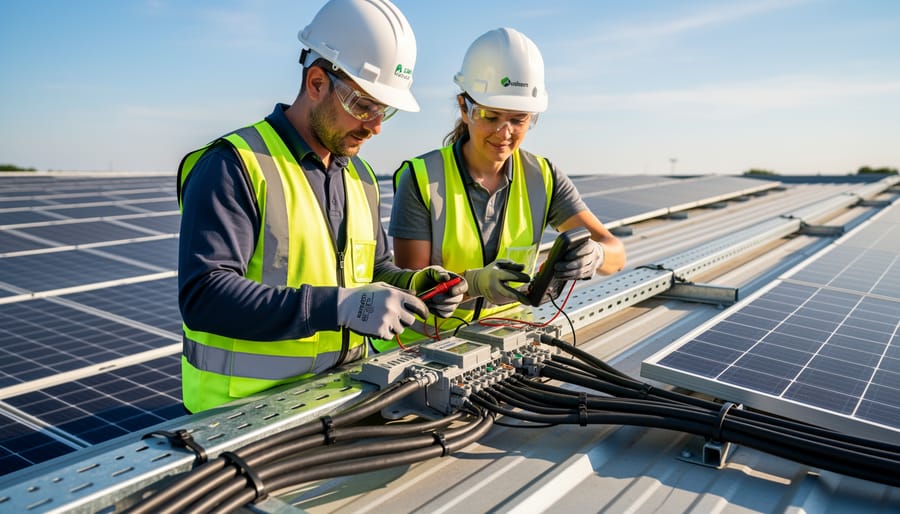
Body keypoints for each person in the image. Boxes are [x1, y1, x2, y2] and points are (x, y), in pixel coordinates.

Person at [176, 0, 465, 413]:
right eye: (364, 106)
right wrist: (339, 307)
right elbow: (205, 296)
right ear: (316, 83)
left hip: (344, 400)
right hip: (241, 419)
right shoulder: (233, 164)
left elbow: (373, 271)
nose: (376, 125)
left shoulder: (361, 178)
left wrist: (416, 286)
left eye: (385, 110)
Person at [388, 27, 626, 344]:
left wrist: (596, 254)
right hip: (431, 351)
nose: (504, 133)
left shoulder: (542, 177)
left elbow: (617, 254)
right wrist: (475, 284)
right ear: (464, 108)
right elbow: (414, 292)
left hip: (508, 343)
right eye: (490, 115)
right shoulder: (421, 178)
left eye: (518, 119)